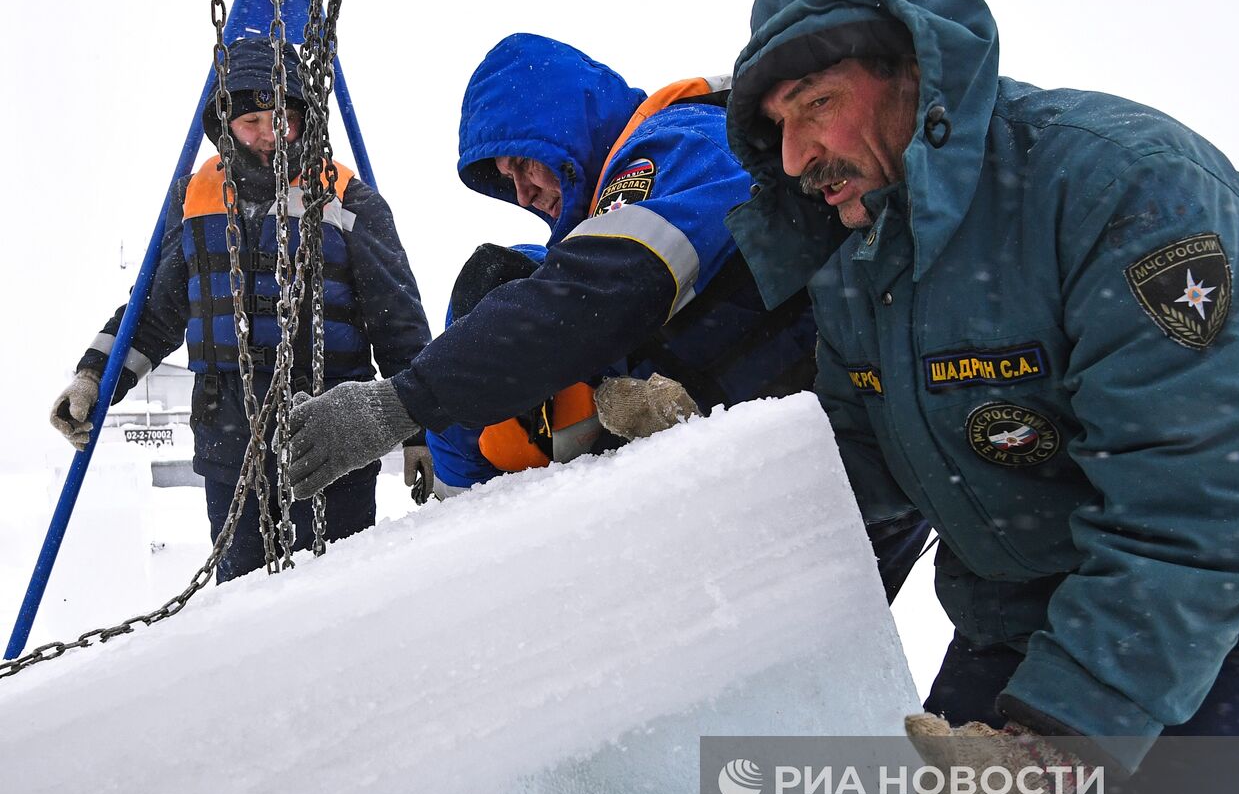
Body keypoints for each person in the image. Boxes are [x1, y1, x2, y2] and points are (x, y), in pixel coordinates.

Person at [723, 0, 1239, 794]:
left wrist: (1034, 751)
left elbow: (1202, 503)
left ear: (921, 71)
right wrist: (707, 473)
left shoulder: (1118, 190)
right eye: (778, 124)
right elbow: (859, 465)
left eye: (816, 104)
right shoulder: (863, 257)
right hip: (1040, 556)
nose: (794, 156)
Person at [284, 34, 834, 534]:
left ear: (566, 127)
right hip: (781, 466)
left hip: (824, 448)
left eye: (525, 164)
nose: (522, 194)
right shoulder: (614, 213)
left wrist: (402, 401)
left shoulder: (675, 146)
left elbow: (601, 291)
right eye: (507, 179)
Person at [50, 37, 433, 582]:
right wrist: (93, 379)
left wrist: (422, 431)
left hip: (328, 442)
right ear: (224, 123)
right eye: (251, 119)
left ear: (306, 115)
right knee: (241, 612)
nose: (268, 135)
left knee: (339, 605)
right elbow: (155, 315)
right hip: (229, 448)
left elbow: (398, 323)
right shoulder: (193, 200)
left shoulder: (348, 199)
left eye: (282, 116)